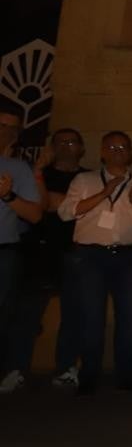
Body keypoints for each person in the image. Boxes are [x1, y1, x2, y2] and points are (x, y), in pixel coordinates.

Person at [58, 131, 132, 395]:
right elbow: (66, 212)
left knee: (129, 317)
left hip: (127, 258)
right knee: (91, 316)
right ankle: (88, 376)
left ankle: (127, 376)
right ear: (102, 152)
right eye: (112, 148)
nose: (118, 152)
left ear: (131, 153)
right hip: (90, 257)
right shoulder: (85, 179)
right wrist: (105, 192)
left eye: (123, 147)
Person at [0, 128, 88, 391]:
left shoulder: (89, 177)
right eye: (60, 142)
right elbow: (44, 204)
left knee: (73, 313)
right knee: (26, 314)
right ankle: (16, 369)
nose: (66, 146)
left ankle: (65, 368)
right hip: (38, 250)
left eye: (72, 142)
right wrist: (42, 177)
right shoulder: (36, 173)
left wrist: (64, 202)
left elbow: (73, 206)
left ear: (81, 148)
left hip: (75, 250)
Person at [0, 104, 42, 394]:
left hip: (4, 251)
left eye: (12, 128)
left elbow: (35, 215)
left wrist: (7, 195)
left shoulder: (17, 169)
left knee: (5, 315)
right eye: (1, 125)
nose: (6, 132)